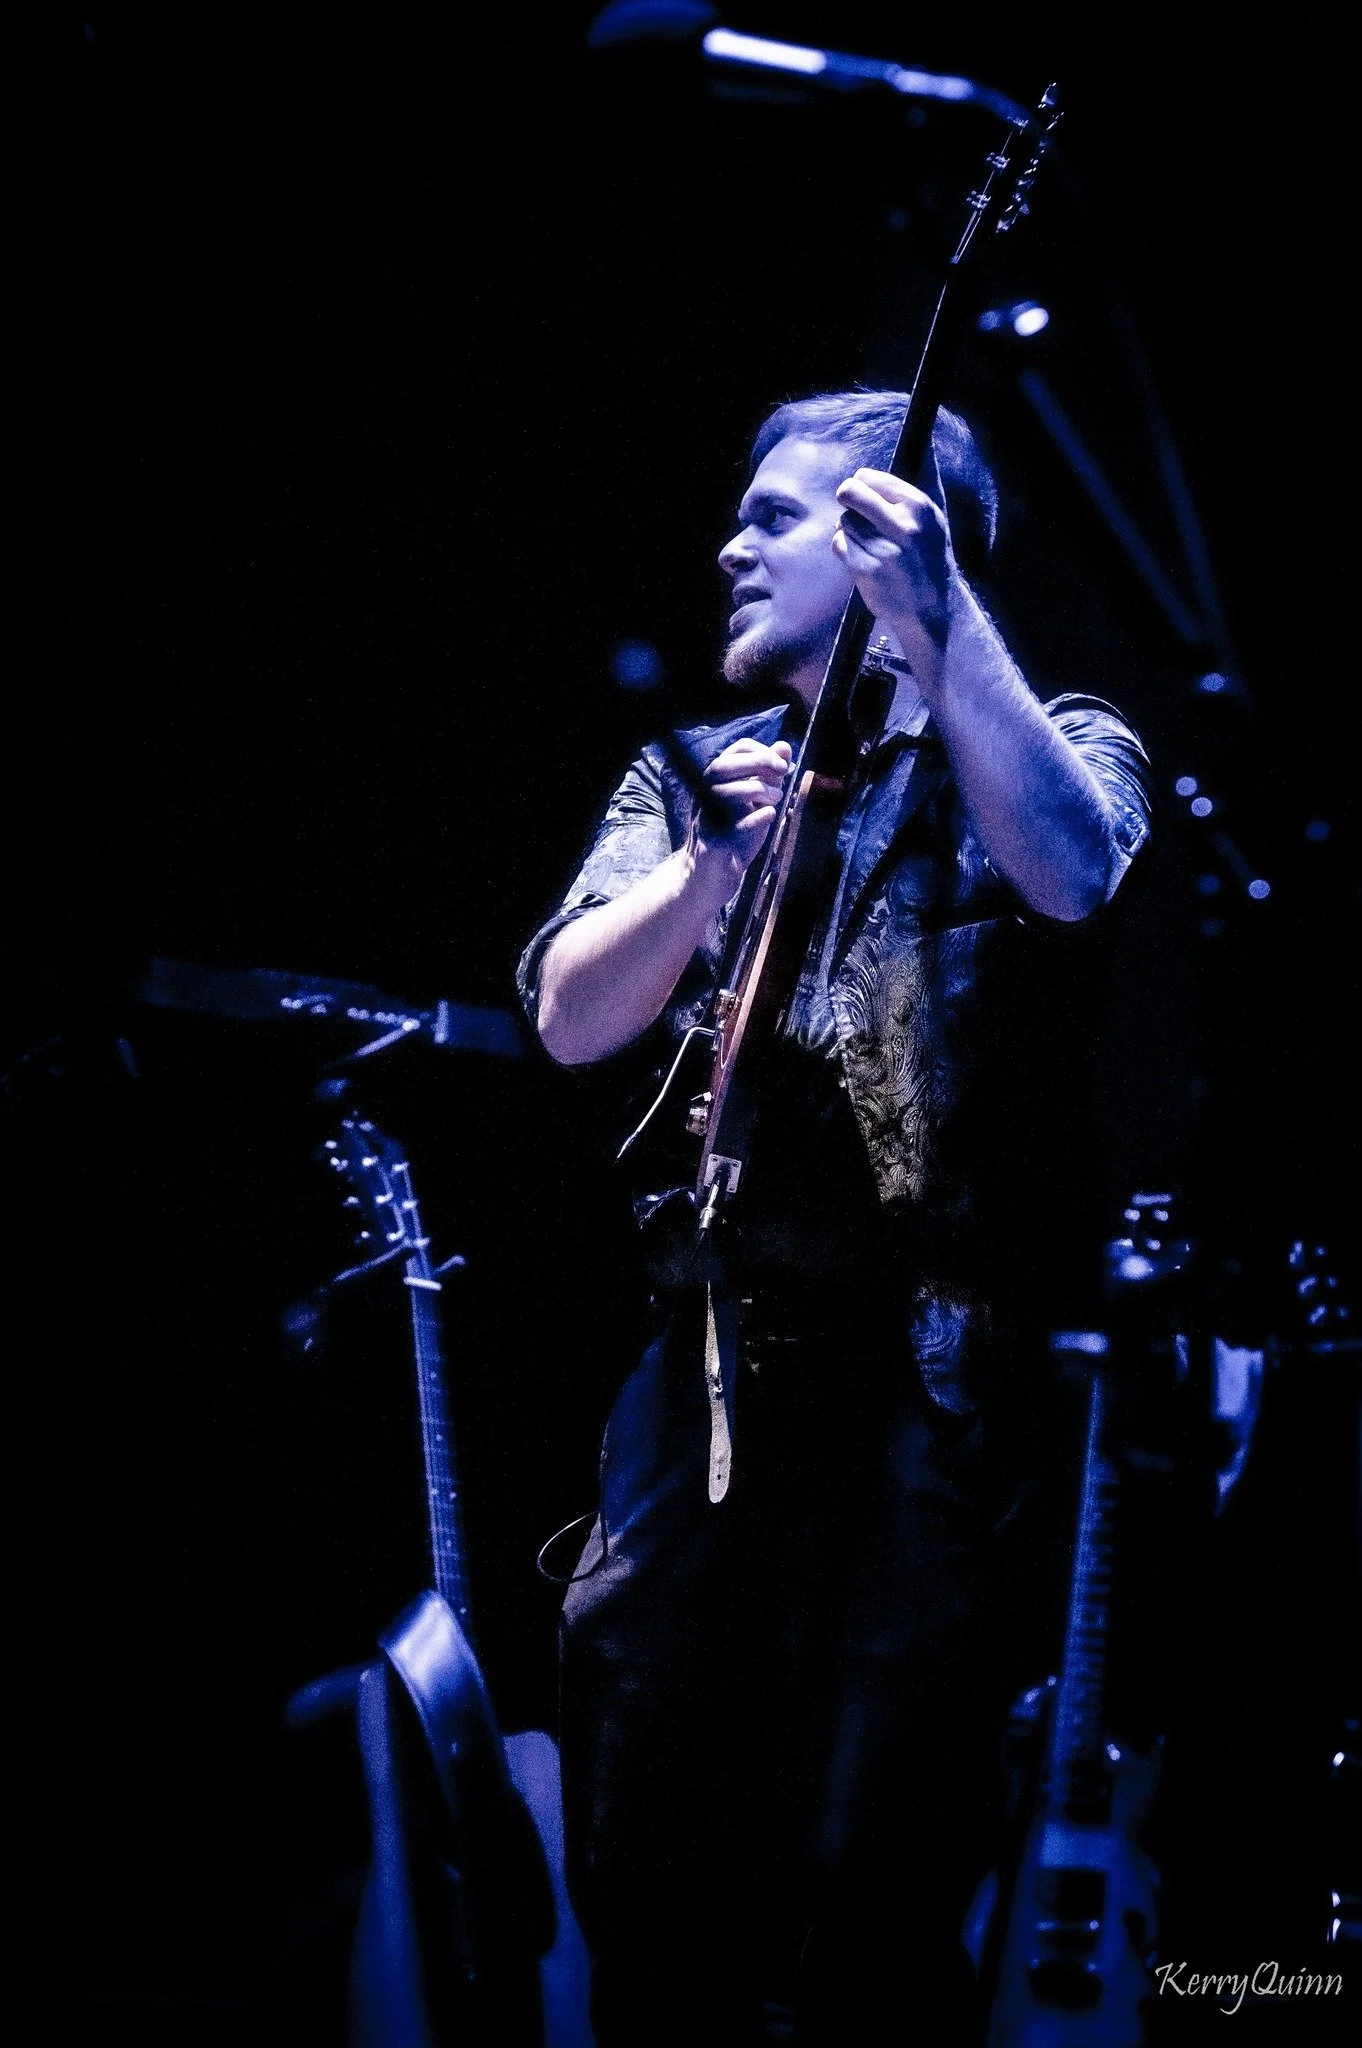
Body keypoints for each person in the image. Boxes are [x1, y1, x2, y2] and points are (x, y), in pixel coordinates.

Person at [516, 391, 1151, 2046]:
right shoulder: (691, 773)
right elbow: (568, 1016)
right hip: (710, 1381)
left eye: (776, 518)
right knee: (652, 1860)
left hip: (938, 1405)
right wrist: (706, 877)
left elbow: (1073, 872)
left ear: (879, 543)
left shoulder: (1058, 733)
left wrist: (941, 625)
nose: (729, 547)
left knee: (879, 1882)